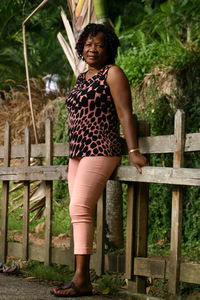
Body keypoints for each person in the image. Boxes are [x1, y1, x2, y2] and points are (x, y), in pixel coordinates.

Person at [51, 23, 148, 297]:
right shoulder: (82, 78)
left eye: (100, 45)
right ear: (81, 47)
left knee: (80, 207)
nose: (93, 49)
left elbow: (124, 112)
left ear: (110, 50)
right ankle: (80, 277)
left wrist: (133, 151)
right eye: (89, 44)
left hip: (101, 147)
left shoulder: (113, 73)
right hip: (78, 152)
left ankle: (82, 279)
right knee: (77, 211)